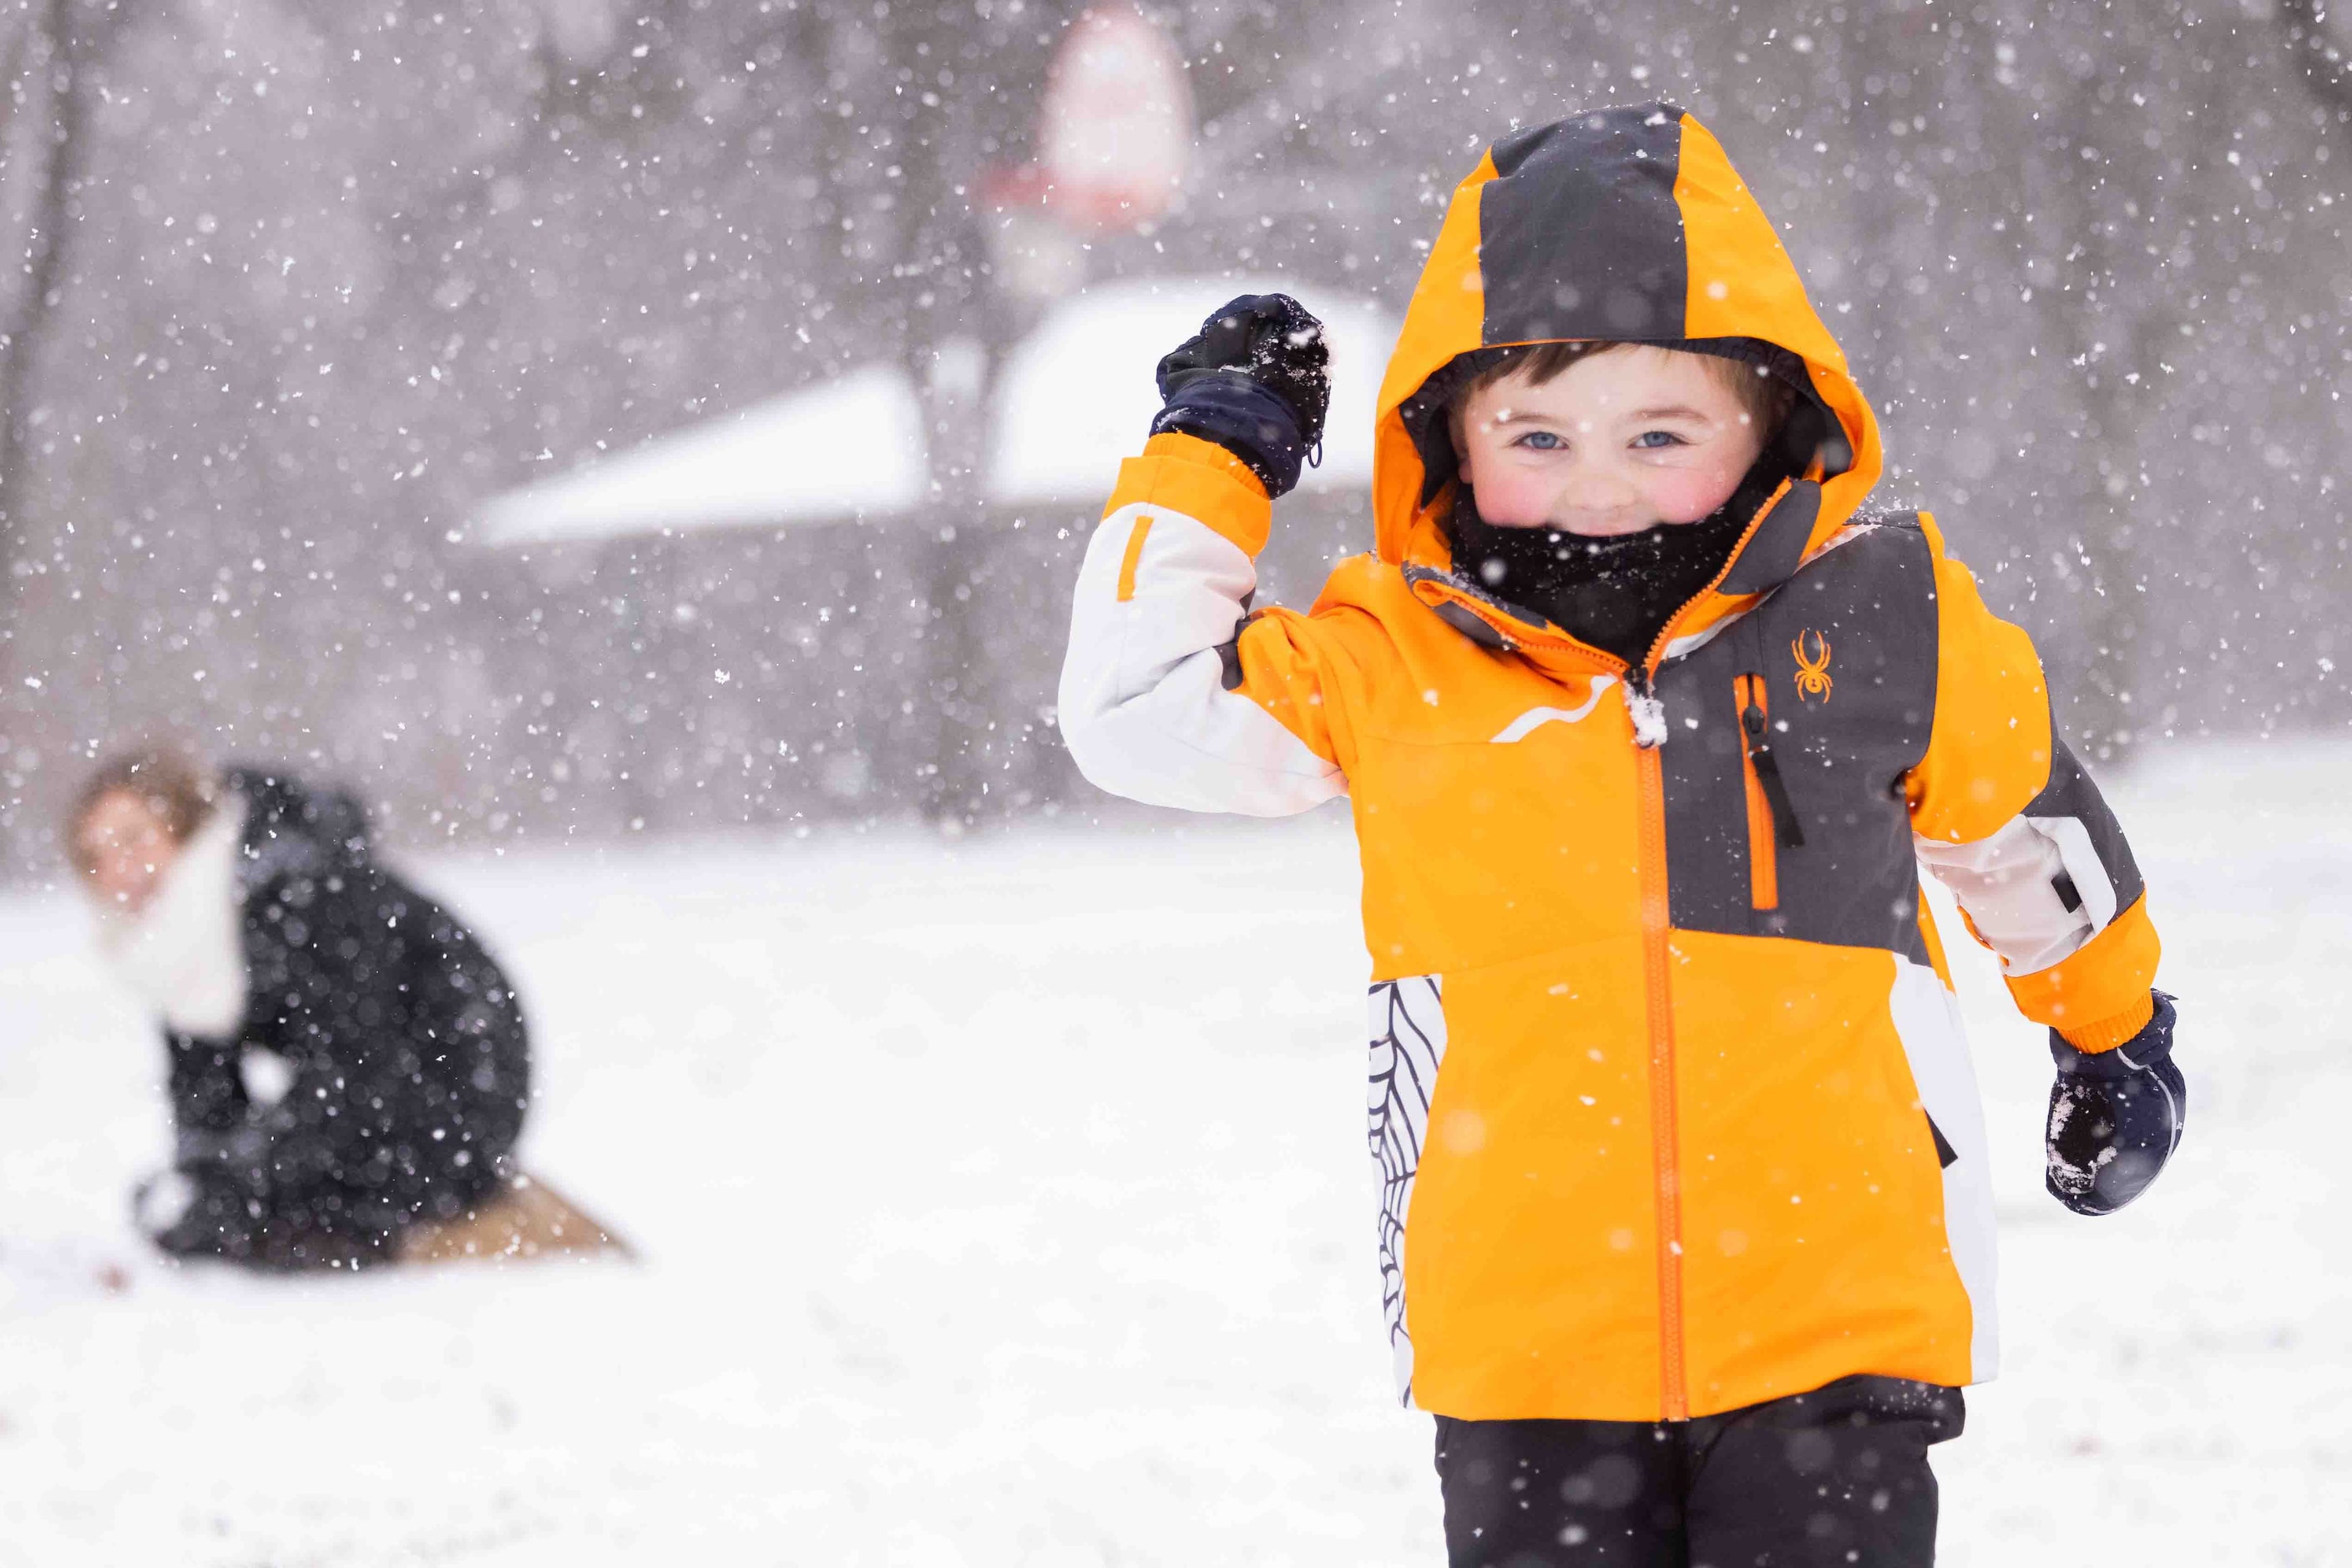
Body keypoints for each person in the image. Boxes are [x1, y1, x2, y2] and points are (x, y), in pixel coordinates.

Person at [1058, 104, 2185, 1565]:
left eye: (1658, 432)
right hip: (1525, 1343)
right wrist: (1211, 458)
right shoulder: (1396, 657)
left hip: (1835, 1314)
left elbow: (2025, 829)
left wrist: (2112, 1035)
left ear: (1768, 421)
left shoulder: (1880, 619)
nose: (1597, 484)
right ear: (1447, 437)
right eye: (1536, 434)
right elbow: (1135, 709)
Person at [69, 751, 533, 1270]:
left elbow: (358, 1066)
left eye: (134, 839)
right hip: (368, 1089)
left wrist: (245, 1175)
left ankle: (476, 1227)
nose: (118, 870)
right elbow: (203, 1082)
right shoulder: (183, 932)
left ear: (186, 823)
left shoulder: (294, 888)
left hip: (461, 1086)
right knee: (202, 1218)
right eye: (95, 857)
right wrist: (204, 1175)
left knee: (268, 1229)